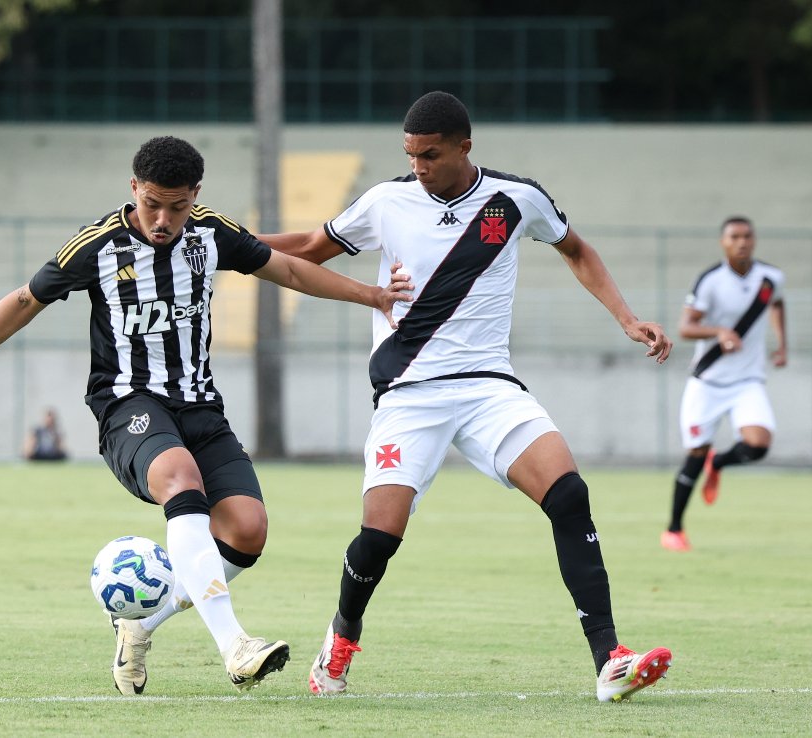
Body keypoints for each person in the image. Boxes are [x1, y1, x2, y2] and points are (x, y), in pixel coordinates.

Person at [0, 136, 412, 694]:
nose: (164, 219)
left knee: (247, 532)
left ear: (195, 196)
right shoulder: (96, 246)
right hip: (128, 405)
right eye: (153, 204)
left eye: (177, 206)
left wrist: (372, 296)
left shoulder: (211, 233)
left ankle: (139, 626)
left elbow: (290, 271)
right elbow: (25, 300)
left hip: (200, 407)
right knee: (181, 479)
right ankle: (234, 646)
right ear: (134, 190)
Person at [259, 91, 674, 702]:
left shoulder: (515, 199)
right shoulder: (385, 202)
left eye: (429, 155)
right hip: (408, 392)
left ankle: (610, 659)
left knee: (570, 494)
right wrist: (221, 242)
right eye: (410, 155)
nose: (418, 167)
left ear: (464, 147)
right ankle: (340, 639)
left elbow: (577, 250)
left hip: (488, 386)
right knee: (381, 535)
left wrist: (626, 318)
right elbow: (308, 249)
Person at [662, 216, 787, 552]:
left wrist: (782, 344)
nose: (742, 242)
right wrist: (720, 332)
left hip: (748, 381)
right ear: (723, 242)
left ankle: (717, 463)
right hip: (708, 381)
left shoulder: (770, 278)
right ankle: (674, 529)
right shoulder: (710, 281)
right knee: (694, 454)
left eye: (748, 236)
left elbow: (776, 303)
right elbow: (686, 327)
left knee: (758, 445)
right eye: (735, 237)